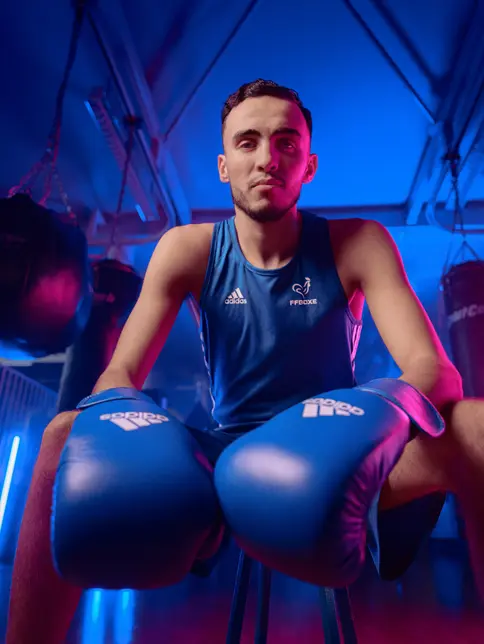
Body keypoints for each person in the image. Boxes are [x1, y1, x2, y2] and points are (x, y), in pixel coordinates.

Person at [6, 79, 484, 644]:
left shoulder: (357, 242)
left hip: (342, 445)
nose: (267, 159)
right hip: (222, 459)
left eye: (286, 143)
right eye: (248, 142)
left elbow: (435, 371)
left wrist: (371, 419)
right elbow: (118, 376)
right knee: (62, 433)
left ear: (308, 166)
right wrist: (126, 435)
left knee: (474, 425)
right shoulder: (187, 248)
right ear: (224, 165)